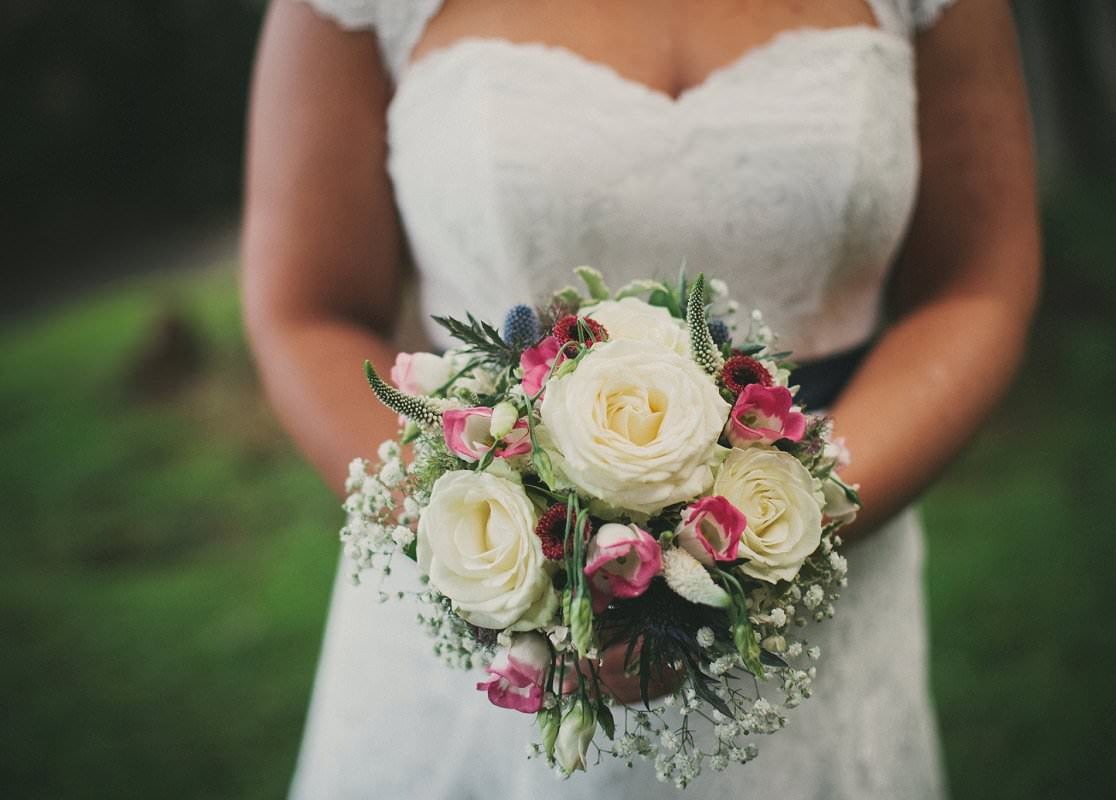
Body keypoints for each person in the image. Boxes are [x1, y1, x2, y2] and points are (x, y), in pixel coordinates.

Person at [241, 0, 1040, 797]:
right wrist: (507, 559)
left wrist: (784, 519)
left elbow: (975, 283)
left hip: (829, 566)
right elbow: (308, 312)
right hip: (488, 599)